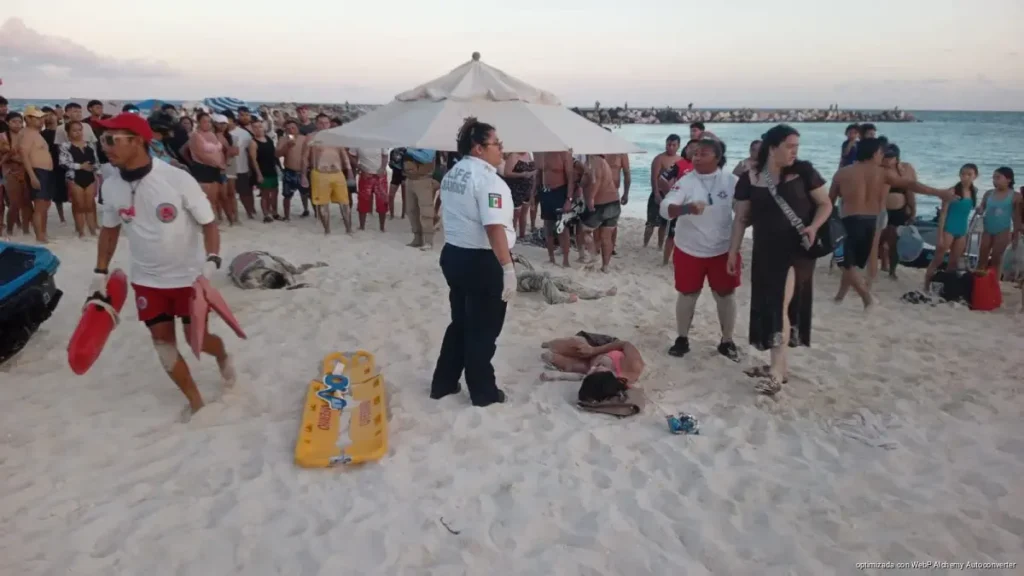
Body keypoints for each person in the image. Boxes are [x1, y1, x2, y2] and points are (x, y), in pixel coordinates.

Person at [89, 113, 235, 419]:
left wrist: (212, 261)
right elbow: (110, 229)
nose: (105, 147)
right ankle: (196, 401)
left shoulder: (176, 179)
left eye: (112, 140)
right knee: (163, 344)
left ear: (138, 140)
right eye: (103, 140)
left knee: (200, 340)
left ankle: (221, 355)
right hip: (147, 280)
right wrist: (99, 273)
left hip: (188, 278)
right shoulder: (111, 186)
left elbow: (209, 224)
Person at [727, 125, 833, 395]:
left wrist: (814, 226)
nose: (794, 152)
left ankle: (775, 371)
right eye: (789, 146)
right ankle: (781, 368)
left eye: (797, 146)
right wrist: (733, 251)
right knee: (774, 304)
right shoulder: (750, 177)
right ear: (772, 147)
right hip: (765, 249)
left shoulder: (804, 172)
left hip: (797, 250)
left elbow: (826, 203)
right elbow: (741, 218)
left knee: (780, 303)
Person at [431, 117, 515, 407]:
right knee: (483, 330)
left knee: (461, 323)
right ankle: (483, 393)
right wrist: (507, 268)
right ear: (478, 148)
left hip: (453, 255)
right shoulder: (489, 180)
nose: (501, 149)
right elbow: (494, 228)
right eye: (496, 144)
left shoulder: (453, 173)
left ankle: (443, 382)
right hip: (481, 260)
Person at [830, 137, 951, 307]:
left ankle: (866, 298)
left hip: (851, 220)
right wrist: (939, 192)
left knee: (845, 262)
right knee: (852, 264)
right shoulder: (883, 173)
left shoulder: (842, 173)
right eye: (881, 152)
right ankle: (840, 297)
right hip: (871, 222)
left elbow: (829, 202)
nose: (883, 156)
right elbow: (911, 184)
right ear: (874, 153)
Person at [661, 139, 740, 361]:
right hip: (689, 248)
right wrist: (686, 208)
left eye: (703, 153)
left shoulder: (732, 181)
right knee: (687, 295)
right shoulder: (686, 182)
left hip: (722, 249)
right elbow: (665, 209)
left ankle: (727, 341)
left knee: (725, 295)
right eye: (694, 153)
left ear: (717, 157)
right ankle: (682, 338)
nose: (696, 157)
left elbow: (745, 210)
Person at [924, 163, 978, 291]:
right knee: (938, 259)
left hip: (962, 229)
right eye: (963, 174)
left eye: (969, 174)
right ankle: (926, 285)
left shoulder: (974, 191)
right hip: (949, 228)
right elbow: (943, 214)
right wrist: (940, 235)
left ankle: (947, 286)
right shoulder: (952, 191)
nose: (965, 177)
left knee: (954, 262)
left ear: (975, 176)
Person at [303, 113, 353, 234]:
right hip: (320, 173)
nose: (324, 125)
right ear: (316, 123)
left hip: (337, 172)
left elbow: (344, 155)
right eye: (321, 123)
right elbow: (305, 157)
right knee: (322, 203)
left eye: (326, 123)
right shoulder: (311, 137)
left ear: (329, 123)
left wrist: (349, 171)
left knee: (344, 202)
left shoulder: (336, 137)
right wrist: (303, 175)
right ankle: (327, 230)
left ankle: (349, 229)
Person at [539, 335, 645, 389]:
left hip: (588, 362)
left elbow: (581, 377)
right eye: (599, 368)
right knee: (575, 346)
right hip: (602, 347)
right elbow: (625, 344)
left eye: (593, 372)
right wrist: (594, 350)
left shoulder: (608, 382)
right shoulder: (633, 366)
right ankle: (551, 343)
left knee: (549, 357)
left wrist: (555, 376)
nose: (593, 369)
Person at [511, 253, 616, 304]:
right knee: (544, 281)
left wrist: (518, 258)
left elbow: (530, 269)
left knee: (564, 281)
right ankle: (559, 299)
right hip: (520, 283)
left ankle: (599, 293)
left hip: (526, 278)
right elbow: (525, 276)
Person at [658, 139, 699, 265]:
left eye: (695, 148)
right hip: (680, 206)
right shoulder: (679, 164)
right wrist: (670, 194)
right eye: (690, 147)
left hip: (697, 206)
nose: (692, 150)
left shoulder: (704, 166)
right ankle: (665, 261)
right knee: (672, 235)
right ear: (686, 149)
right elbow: (662, 179)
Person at [878, 144, 917, 279]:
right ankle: (881, 263)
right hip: (881, 210)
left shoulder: (904, 172)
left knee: (894, 242)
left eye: (891, 158)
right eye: (885, 157)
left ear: (897, 158)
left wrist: (913, 210)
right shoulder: (879, 170)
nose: (888, 160)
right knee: (879, 239)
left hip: (899, 211)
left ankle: (892, 270)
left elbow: (910, 191)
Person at [19, 106, 57, 243]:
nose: (41, 121)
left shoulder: (35, 133)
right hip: (37, 171)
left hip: (45, 172)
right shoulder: (27, 133)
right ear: (28, 119)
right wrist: (32, 176)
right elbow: (24, 155)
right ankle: (39, 236)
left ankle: (43, 233)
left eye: (42, 118)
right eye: (37, 118)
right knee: (40, 206)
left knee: (45, 205)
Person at [578, 154, 621, 271]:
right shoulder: (601, 162)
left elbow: (598, 179)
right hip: (614, 203)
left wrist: (591, 197)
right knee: (606, 237)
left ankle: (593, 256)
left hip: (601, 204)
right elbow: (586, 181)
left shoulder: (595, 160)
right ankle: (605, 266)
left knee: (585, 230)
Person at [975, 167, 1020, 275]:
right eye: (993, 178)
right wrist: (979, 210)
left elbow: (1016, 218)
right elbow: (982, 209)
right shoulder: (989, 193)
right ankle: (979, 282)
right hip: (987, 229)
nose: (995, 180)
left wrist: (1016, 237)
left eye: (998, 177)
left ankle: (994, 283)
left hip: (1003, 230)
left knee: (996, 258)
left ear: (1008, 179)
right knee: (982, 256)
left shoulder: (1015, 196)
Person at [58, 121, 99, 237]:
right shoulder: (65, 146)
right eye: (74, 130)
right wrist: (80, 166)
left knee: (90, 205)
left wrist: (95, 170)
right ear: (68, 132)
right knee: (79, 206)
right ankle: (81, 232)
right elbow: (63, 163)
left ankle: (92, 231)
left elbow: (96, 161)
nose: (78, 133)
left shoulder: (90, 145)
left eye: (80, 130)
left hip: (90, 177)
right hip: (75, 178)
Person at [536, 151, 576, 267]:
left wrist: (569, 199)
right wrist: (534, 192)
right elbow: (538, 174)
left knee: (562, 227)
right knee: (548, 226)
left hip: (559, 191)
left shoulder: (563, 153)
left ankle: (566, 260)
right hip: (545, 192)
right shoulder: (541, 152)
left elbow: (570, 179)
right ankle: (551, 258)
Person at [187, 113, 226, 222]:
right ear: (198, 122)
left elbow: (219, 150)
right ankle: (208, 221)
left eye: (209, 121)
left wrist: (222, 163)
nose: (208, 124)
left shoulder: (212, 134)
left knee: (215, 197)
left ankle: (214, 220)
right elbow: (200, 154)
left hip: (215, 169)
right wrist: (218, 164)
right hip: (203, 168)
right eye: (205, 121)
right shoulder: (195, 135)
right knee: (207, 198)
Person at [646, 135, 681, 249]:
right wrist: (656, 193)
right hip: (659, 193)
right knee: (651, 222)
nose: (670, 147)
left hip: (671, 195)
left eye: (673, 145)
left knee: (664, 223)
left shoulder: (680, 160)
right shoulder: (659, 158)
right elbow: (654, 177)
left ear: (678, 146)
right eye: (668, 144)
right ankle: (645, 244)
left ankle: (660, 245)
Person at [0, 112, 30, 236]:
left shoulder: (25, 136)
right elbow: (4, 157)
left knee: (27, 201)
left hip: (26, 170)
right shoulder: (2, 137)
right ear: (7, 123)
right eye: (14, 122)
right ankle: (10, 229)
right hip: (10, 171)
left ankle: (26, 229)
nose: (17, 124)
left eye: (20, 122)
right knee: (14, 202)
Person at [403, 148, 438, 248]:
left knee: (426, 212)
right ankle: (417, 238)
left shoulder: (429, 143)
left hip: (423, 179)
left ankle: (428, 241)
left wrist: (410, 151)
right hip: (409, 178)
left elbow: (427, 158)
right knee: (411, 210)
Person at [249, 120, 281, 222]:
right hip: (262, 171)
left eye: (260, 127)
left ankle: (275, 212)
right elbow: (253, 160)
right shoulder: (253, 143)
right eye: (255, 127)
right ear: (252, 129)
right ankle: (266, 214)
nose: (258, 129)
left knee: (275, 192)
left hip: (272, 170)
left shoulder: (268, 139)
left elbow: (274, 155)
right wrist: (258, 174)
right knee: (265, 194)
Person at [277, 120, 309, 220]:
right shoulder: (282, 139)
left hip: (303, 171)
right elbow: (277, 155)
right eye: (288, 128)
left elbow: (310, 155)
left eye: (293, 128)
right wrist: (287, 146)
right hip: (289, 171)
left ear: (297, 128)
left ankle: (306, 210)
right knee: (287, 195)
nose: (291, 130)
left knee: (305, 193)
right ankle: (287, 216)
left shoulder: (305, 139)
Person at [503, 151, 536, 240]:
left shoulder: (529, 154)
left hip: (527, 188)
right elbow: (507, 173)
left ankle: (522, 235)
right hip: (516, 188)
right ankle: (511, 236)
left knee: (524, 212)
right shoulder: (514, 155)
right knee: (515, 214)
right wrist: (523, 174)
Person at [354, 147, 389, 231]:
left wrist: (383, 168)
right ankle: (362, 226)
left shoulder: (379, 139)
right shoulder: (357, 141)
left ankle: (382, 227)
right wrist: (360, 167)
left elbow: (385, 156)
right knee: (363, 200)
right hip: (365, 175)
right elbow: (351, 156)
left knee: (382, 201)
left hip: (380, 176)